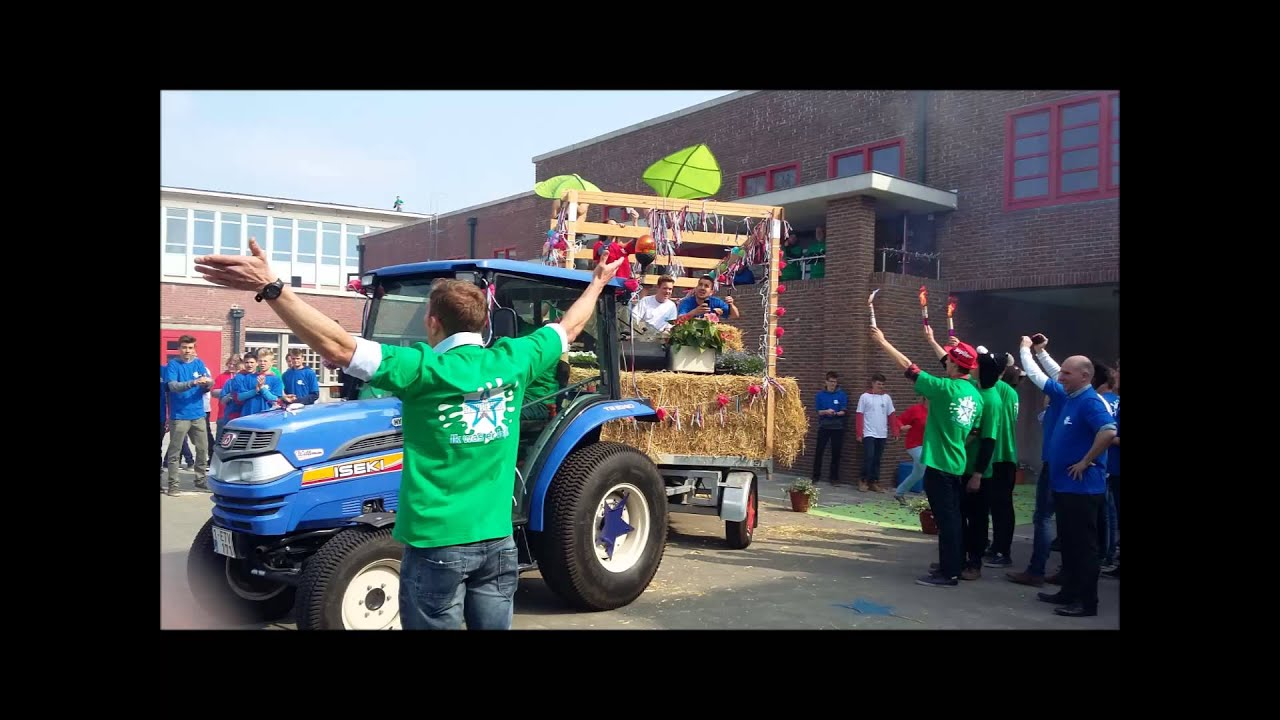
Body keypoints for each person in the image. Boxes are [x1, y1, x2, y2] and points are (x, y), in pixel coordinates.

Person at [195, 238, 624, 630]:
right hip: (497, 542)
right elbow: (569, 326)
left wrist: (274, 289)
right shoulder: (514, 359)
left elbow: (338, 346)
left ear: (432, 322)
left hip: (437, 543)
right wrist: (597, 283)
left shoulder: (421, 369)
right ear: (484, 321)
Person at [870, 325, 984, 588]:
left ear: (954, 366)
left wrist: (884, 342)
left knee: (947, 521)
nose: (946, 365)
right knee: (952, 518)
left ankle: (949, 573)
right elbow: (974, 432)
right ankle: (950, 566)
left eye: (949, 362)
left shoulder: (944, 389)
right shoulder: (975, 395)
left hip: (939, 463)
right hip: (957, 461)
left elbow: (910, 367)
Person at [1038, 356, 1116, 618]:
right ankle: (1068, 592)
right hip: (1066, 486)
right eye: (1061, 372)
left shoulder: (1090, 401)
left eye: (1067, 374)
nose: (1061, 378)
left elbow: (1107, 431)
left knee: (1084, 547)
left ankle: (1086, 601)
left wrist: (1086, 461)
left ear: (1085, 376)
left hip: (1082, 489)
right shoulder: (1073, 399)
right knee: (1070, 544)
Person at [1006, 334, 1067, 588]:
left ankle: (1036, 570)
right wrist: (1041, 353)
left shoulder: (1065, 394)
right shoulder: (1075, 393)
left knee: (1043, 517)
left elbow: (1035, 375)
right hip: (1065, 465)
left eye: (1068, 374)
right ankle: (1067, 570)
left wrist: (1025, 349)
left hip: (1056, 466)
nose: (1062, 376)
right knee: (1064, 519)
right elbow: (1056, 373)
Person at [164, 335, 213, 495]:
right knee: (175, 451)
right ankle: (173, 485)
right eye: (184, 347)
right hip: (179, 416)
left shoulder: (199, 363)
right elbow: (172, 386)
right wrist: (193, 383)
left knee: (202, 449)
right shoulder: (173, 365)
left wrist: (207, 384)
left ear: (194, 349)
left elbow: (208, 384)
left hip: (198, 414)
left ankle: (200, 481)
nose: (187, 351)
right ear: (179, 349)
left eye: (190, 348)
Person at [855, 373, 895, 492]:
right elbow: (859, 415)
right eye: (878, 384)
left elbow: (891, 415)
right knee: (869, 456)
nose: (880, 386)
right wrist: (859, 433)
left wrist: (895, 431)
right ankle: (863, 480)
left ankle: (874, 481)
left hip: (882, 433)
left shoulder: (886, 398)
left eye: (882, 384)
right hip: (868, 432)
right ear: (873, 384)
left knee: (877, 458)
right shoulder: (864, 397)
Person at [812, 371, 849, 484]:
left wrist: (836, 413)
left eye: (835, 382)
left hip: (837, 427)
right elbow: (818, 411)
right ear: (826, 382)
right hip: (824, 427)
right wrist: (826, 412)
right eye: (831, 382)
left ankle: (834, 478)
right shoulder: (820, 395)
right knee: (819, 451)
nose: (833, 384)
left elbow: (844, 411)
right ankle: (815, 476)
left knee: (836, 453)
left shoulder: (841, 395)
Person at [893, 396, 928, 504]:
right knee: (925, 466)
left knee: (918, 473)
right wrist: (902, 427)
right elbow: (898, 420)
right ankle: (930, 496)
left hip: (928, 446)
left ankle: (899, 493)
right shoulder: (916, 409)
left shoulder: (937, 411)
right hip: (914, 445)